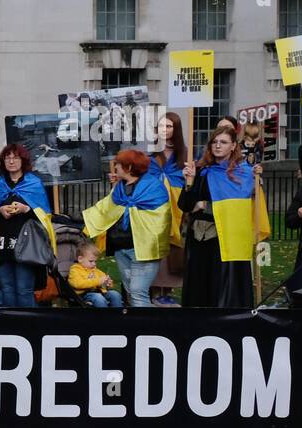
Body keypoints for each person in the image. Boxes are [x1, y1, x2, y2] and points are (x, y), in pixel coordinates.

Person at [178, 127, 257, 308]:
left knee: (223, 283)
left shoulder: (244, 172)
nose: (218, 146)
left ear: (233, 146)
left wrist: (205, 204)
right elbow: (185, 205)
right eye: (215, 142)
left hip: (228, 236)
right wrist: (189, 183)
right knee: (199, 283)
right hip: (200, 237)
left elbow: (243, 205)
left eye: (223, 142)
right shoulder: (202, 171)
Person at [82, 149, 169, 307]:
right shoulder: (120, 188)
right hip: (121, 248)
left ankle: (148, 329)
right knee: (130, 292)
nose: (115, 168)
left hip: (142, 251)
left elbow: (160, 219)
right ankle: (137, 328)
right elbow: (107, 211)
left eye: (118, 165)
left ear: (129, 167)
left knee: (137, 293)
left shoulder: (153, 187)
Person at [0, 142, 55, 308]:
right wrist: (0, 209)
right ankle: (9, 326)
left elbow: (44, 216)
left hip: (26, 245)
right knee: (6, 288)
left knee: (23, 289)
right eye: (7, 158)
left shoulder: (34, 184)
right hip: (1, 244)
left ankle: (28, 326)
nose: (11, 161)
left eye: (15, 158)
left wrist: (26, 208)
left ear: (23, 160)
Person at [148, 113, 189, 305]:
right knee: (154, 248)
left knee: (172, 250)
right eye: (162, 126)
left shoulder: (184, 153)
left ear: (176, 129)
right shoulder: (149, 153)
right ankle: (154, 291)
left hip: (176, 209)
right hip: (153, 209)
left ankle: (167, 291)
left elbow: (188, 179)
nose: (165, 130)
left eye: (170, 126)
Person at [69, 240, 123, 308]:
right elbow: (78, 284)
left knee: (115, 294)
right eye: (91, 261)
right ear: (80, 259)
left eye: (95, 261)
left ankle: (119, 316)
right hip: (83, 295)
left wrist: (107, 284)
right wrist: (98, 281)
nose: (94, 264)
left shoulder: (95, 270)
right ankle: (104, 317)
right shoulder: (75, 270)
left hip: (98, 292)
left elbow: (103, 284)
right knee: (98, 298)